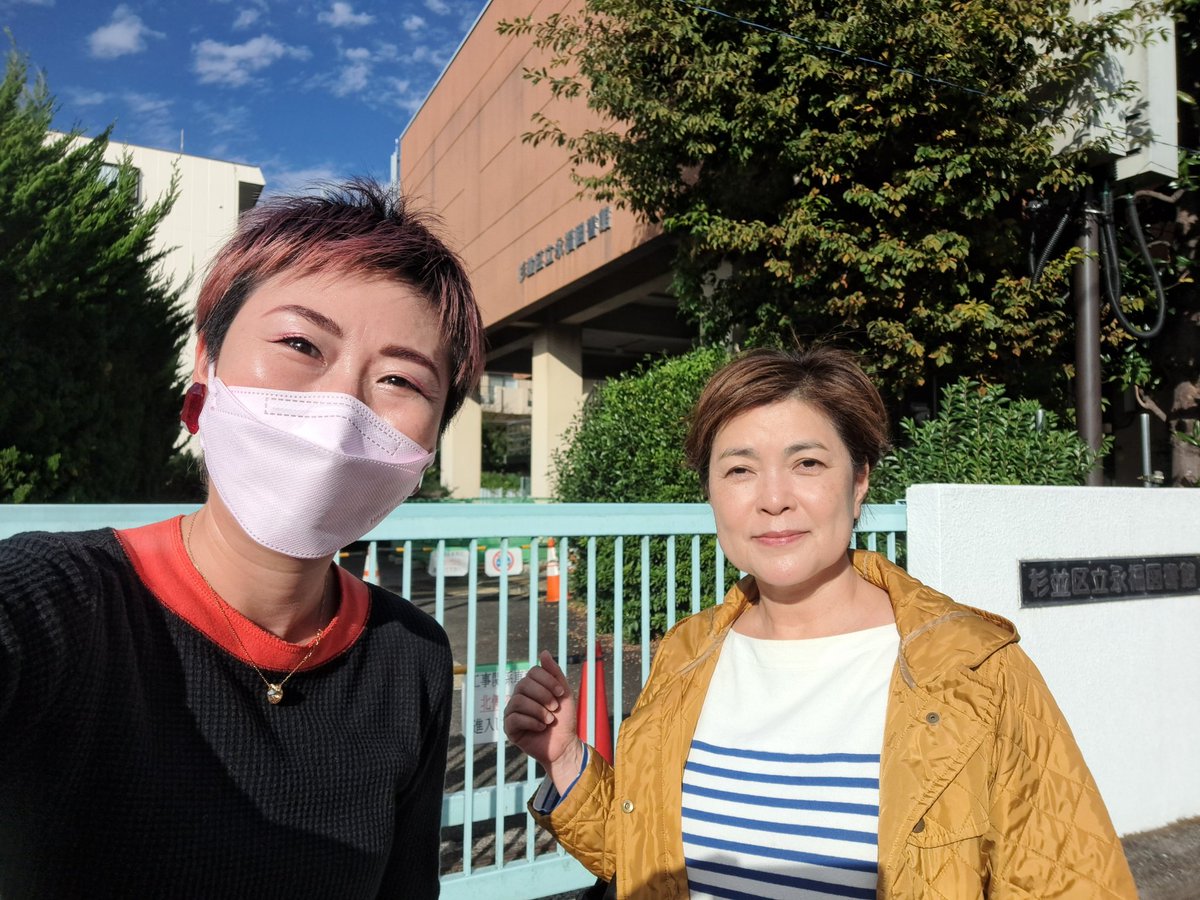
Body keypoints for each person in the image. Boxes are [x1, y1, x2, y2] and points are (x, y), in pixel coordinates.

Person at [504, 346, 1136, 899]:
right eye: (739, 469)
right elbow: (649, 859)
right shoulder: (687, 654)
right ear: (711, 494)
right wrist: (567, 761)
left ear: (858, 483)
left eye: (807, 463)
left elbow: (1067, 878)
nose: (773, 498)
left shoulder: (974, 670)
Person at [0, 180, 483, 899]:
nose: (342, 407)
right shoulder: (60, 600)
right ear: (207, 362)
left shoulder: (412, 654)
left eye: (400, 380)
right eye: (300, 344)